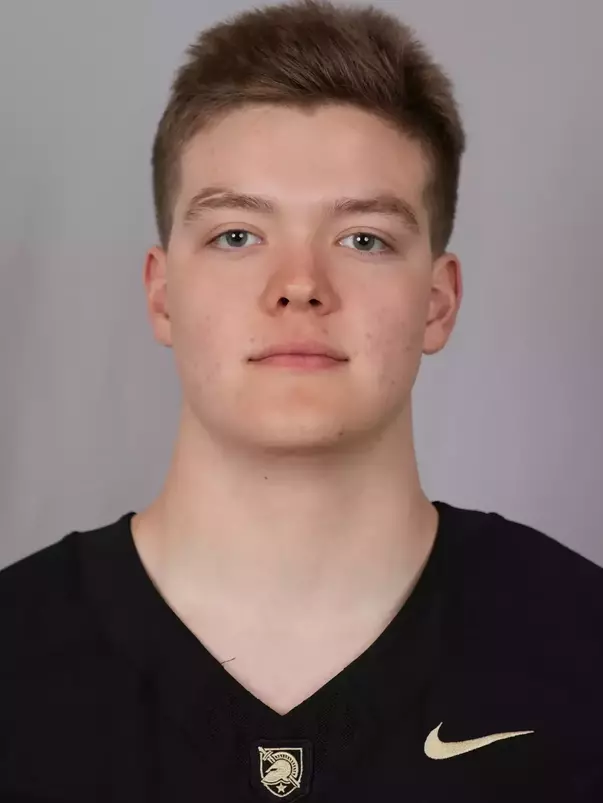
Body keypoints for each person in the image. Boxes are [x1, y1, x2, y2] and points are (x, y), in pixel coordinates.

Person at [1, 0, 602, 800]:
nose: (298, 286)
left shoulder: (580, 645)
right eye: (236, 234)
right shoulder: (16, 652)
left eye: (364, 239)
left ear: (437, 301)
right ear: (161, 295)